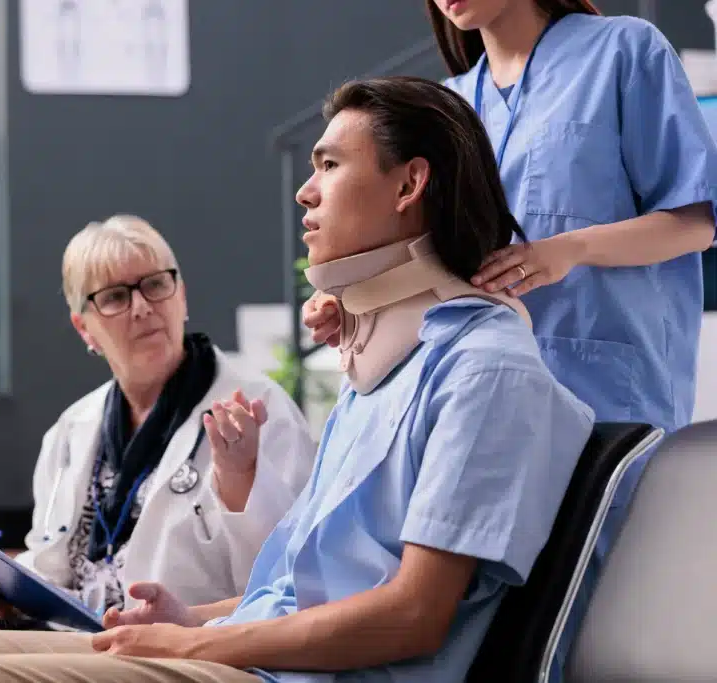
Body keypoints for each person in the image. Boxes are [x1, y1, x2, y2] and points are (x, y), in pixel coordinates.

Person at [0, 77, 594, 683]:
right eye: (111, 298)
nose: (305, 193)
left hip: (310, 673)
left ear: (410, 182)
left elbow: (413, 615)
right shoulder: (379, 372)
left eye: (331, 166)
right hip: (251, 647)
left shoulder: (485, 368)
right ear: (85, 325)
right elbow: (297, 584)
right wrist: (189, 618)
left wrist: (192, 640)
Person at [304, 3, 717, 676]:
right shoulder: (452, 106)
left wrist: (571, 249)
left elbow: (698, 216)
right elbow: (432, 260)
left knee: (594, 631)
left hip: (610, 397)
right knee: (492, 640)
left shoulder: (624, 52)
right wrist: (353, 303)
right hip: (479, 414)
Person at [0, 215, 316, 682]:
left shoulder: (255, 409)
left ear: (181, 295)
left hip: (189, 644)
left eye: (155, 285)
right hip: (82, 634)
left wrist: (240, 484)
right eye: (115, 297)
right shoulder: (73, 428)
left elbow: (290, 576)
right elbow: (52, 568)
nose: (141, 307)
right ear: (85, 328)